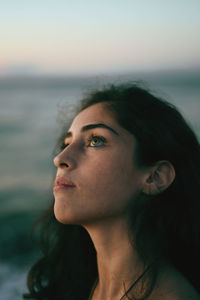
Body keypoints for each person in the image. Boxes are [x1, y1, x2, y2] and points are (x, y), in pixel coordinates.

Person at [24, 83, 200, 300]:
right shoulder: (74, 286)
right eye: (66, 143)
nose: (60, 159)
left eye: (95, 140)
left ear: (154, 177)